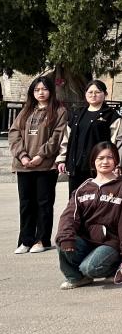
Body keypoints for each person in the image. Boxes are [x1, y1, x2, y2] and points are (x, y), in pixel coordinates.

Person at [55, 142, 122, 289]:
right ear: (93, 161)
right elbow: (69, 216)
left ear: (116, 161)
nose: (105, 162)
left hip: (110, 243)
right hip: (86, 240)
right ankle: (76, 278)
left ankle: (111, 269)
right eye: (100, 158)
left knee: (90, 268)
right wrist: (66, 237)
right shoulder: (83, 188)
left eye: (109, 158)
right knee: (63, 239)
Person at [9, 76, 67, 255]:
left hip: (45, 165)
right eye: (37, 90)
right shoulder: (26, 110)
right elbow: (14, 133)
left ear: (51, 91)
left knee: (44, 203)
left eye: (44, 89)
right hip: (24, 165)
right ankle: (25, 240)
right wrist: (23, 156)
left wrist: (41, 155)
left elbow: (57, 136)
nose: (40, 93)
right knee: (26, 204)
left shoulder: (59, 111)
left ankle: (42, 240)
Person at [57, 80, 119, 198]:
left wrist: (115, 164)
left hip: (99, 168)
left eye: (97, 92)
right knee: (75, 199)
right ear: (85, 94)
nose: (93, 95)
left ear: (105, 94)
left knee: (96, 201)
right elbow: (66, 139)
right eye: (90, 92)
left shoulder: (111, 115)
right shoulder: (77, 114)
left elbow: (115, 141)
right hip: (76, 167)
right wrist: (62, 159)